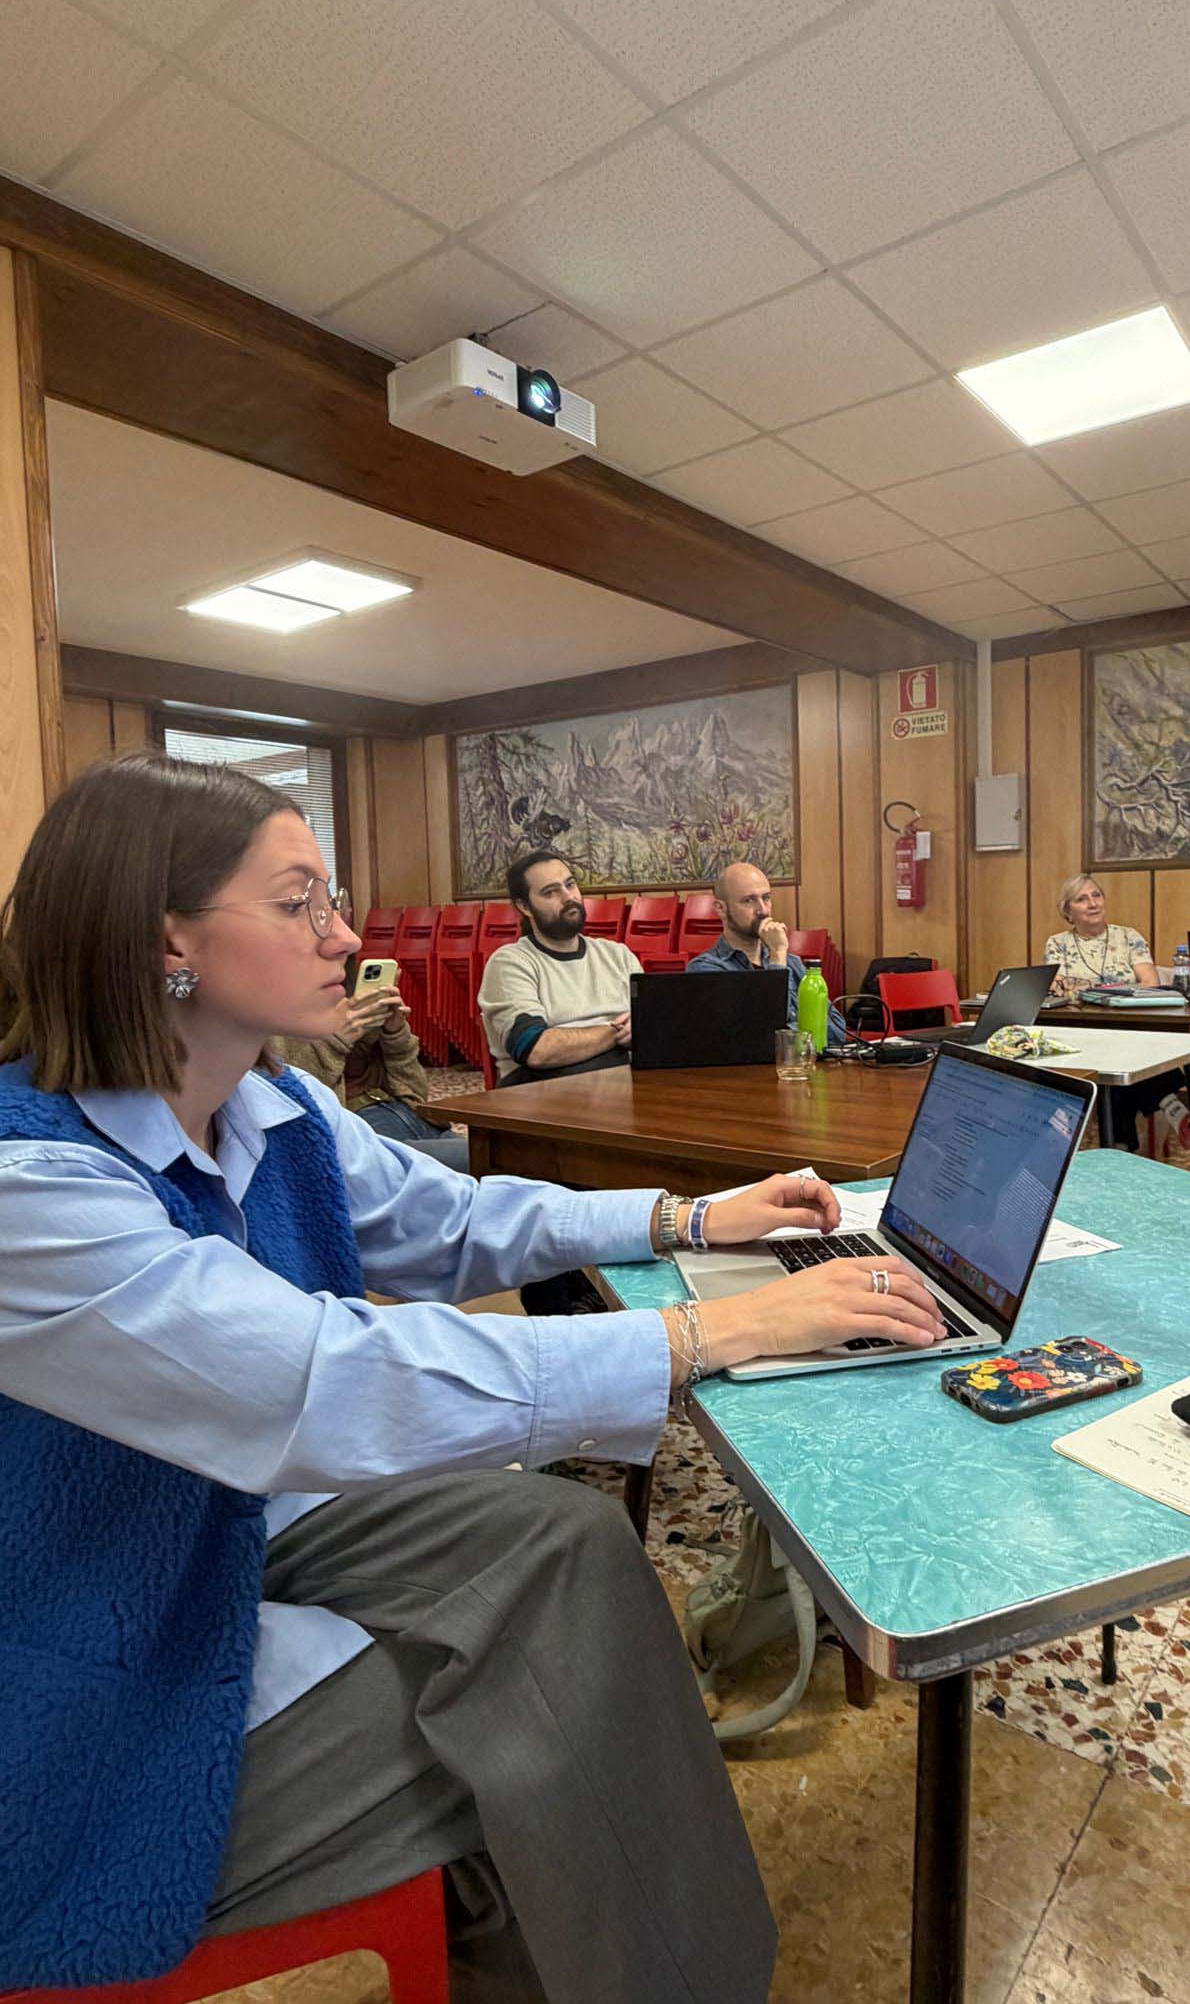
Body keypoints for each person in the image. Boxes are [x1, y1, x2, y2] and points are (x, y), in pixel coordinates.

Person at [0, 754, 945, 2002]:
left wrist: (686, 1218)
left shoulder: (271, 1107)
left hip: (233, 1528)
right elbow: (322, 1379)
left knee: (573, 1551)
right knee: (561, 1725)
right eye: (298, 902)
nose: (346, 934)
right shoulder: (31, 1189)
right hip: (86, 1657)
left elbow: (456, 1219)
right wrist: (708, 1334)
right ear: (166, 938)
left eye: (333, 898)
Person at [1043, 873, 1189, 1152]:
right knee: (1120, 1057)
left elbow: (1150, 982)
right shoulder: (1058, 943)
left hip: (1128, 1024)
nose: (1093, 903)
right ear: (1068, 911)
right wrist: (1115, 990)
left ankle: (1119, 1145)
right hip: (1082, 1031)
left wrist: (1086, 989)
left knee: (1121, 1057)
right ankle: (1173, 1108)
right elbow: (1059, 987)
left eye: (1096, 895)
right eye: (1082, 899)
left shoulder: (1128, 936)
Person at [276, 959, 468, 1170]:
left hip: (409, 1115)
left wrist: (394, 1034)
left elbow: (415, 1093)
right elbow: (296, 1105)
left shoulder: (349, 999)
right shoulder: (274, 1016)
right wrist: (335, 1041)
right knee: (481, 1161)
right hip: (361, 1131)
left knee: (489, 1155)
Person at [477, 852, 641, 1083]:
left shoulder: (618, 955)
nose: (568, 897)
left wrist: (644, 1026)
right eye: (550, 892)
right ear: (524, 906)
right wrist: (617, 1033)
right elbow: (535, 1049)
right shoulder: (510, 963)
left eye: (570, 884)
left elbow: (653, 1024)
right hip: (545, 1091)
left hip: (626, 1085)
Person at [686, 861, 847, 1043]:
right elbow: (758, 1039)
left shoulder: (793, 963)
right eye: (749, 900)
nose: (763, 910)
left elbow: (837, 1031)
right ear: (720, 909)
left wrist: (791, 1034)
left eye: (766, 898)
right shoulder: (706, 969)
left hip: (805, 1062)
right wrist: (777, 958)